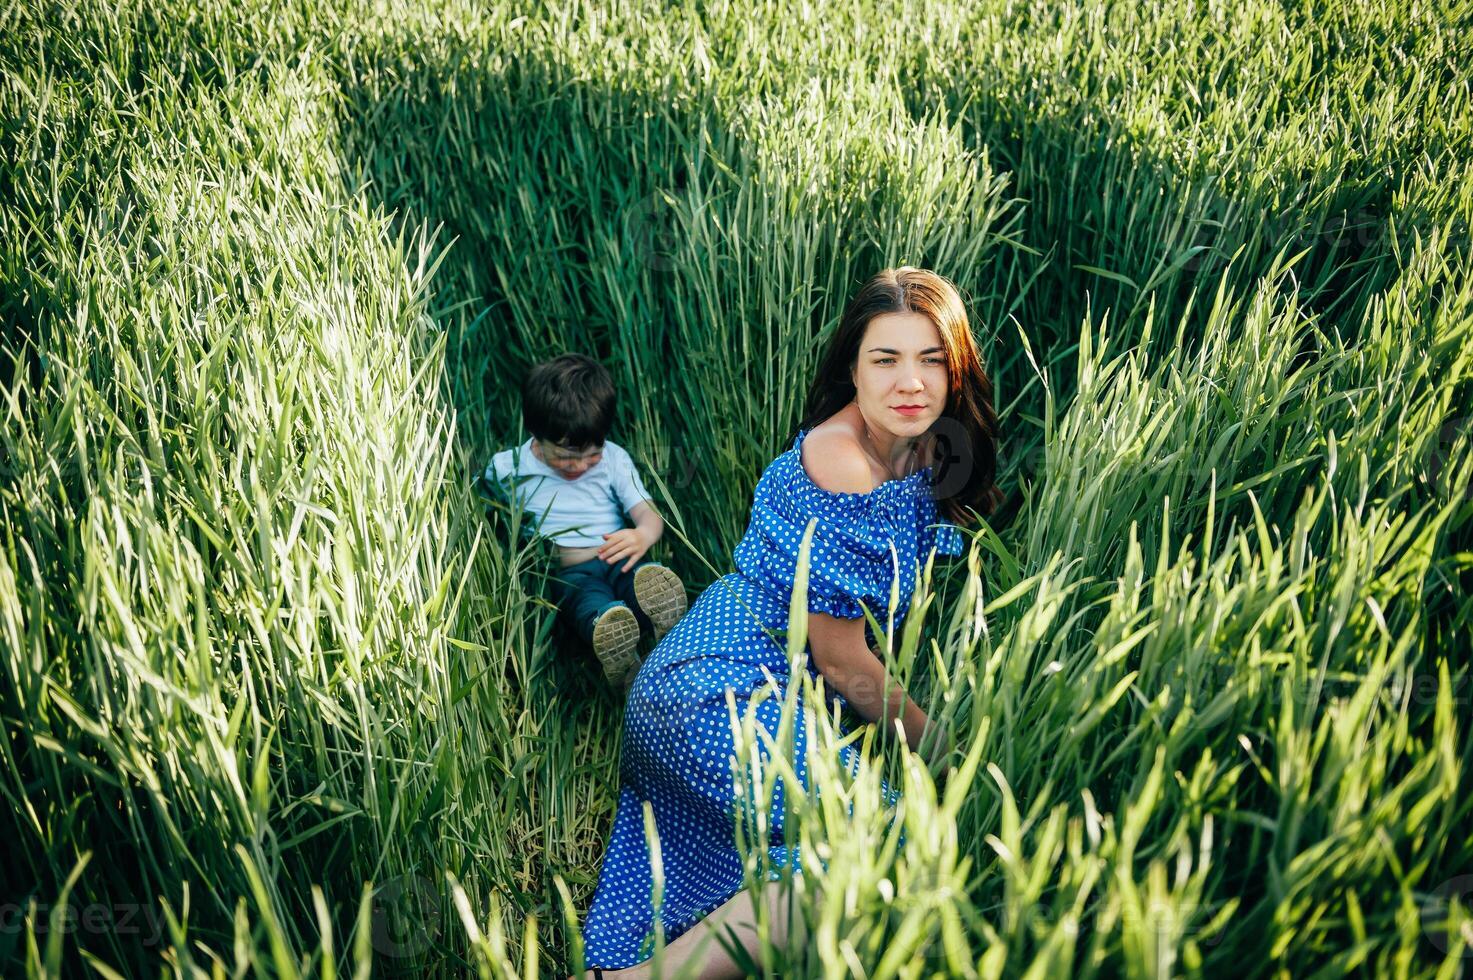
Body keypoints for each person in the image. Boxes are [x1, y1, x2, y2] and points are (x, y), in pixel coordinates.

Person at [574, 268, 1003, 976]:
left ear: (955, 369)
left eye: (930, 359)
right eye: (885, 359)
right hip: (714, 692)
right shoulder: (844, 466)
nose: (911, 382)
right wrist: (951, 758)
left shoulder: (920, 442)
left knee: (851, 841)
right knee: (883, 843)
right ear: (851, 370)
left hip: (741, 683)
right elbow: (841, 664)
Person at [483, 354, 688, 688]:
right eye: (565, 456)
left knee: (641, 582)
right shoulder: (509, 467)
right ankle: (612, 639)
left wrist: (644, 535)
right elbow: (474, 494)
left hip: (621, 556)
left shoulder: (613, 459)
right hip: (570, 572)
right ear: (536, 434)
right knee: (587, 602)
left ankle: (659, 617)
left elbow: (646, 510)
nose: (579, 466)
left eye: (591, 454)